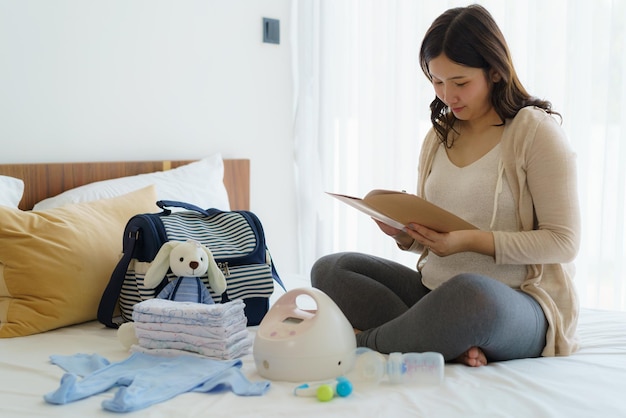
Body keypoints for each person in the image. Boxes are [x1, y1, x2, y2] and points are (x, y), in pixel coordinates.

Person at [310, 4, 580, 367]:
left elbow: (564, 242)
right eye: (437, 81)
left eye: (460, 83)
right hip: (435, 293)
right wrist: (403, 233)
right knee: (332, 269)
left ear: (495, 72)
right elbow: (432, 237)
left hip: (516, 303)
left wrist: (467, 242)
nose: (447, 96)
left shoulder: (534, 132)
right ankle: (440, 338)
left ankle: (365, 344)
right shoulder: (439, 138)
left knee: (470, 294)